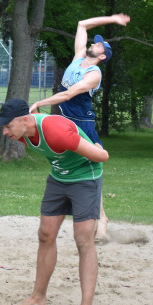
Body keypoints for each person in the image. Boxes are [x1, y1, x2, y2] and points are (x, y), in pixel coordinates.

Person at [0, 98, 109, 305]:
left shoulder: (56, 131)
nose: (5, 132)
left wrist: (97, 148)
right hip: (59, 178)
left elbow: (102, 157)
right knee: (45, 234)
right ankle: (38, 297)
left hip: (86, 177)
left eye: (8, 126)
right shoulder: (25, 133)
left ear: (24, 120)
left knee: (83, 239)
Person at [29, 14, 130, 240]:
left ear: (102, 55)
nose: (93, 44)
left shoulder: (94, 74)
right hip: (66, 120)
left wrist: (40, 103)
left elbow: (69, 93)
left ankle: (101, 220)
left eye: (98, 45)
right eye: (94, 42)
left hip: (82, 125)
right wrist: (113, 19)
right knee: (82, 170)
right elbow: (82, 24)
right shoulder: (78, 58)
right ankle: (100, 218)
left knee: (92, 170)